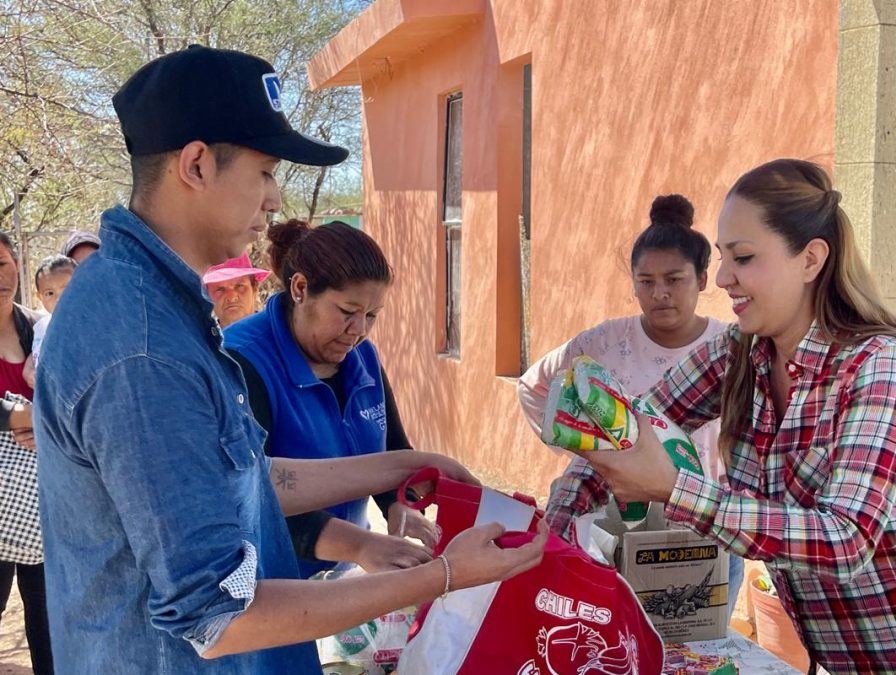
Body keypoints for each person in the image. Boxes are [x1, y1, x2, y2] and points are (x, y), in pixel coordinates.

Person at [34, 45, 545, 675]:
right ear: (196, 164)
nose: (276, 200)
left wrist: (408, 463)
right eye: (266, 171)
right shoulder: (143, 350)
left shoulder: (157, 304)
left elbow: (243, 478)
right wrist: (445, 574)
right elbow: (217, 618)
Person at [547, 159, 896, 674]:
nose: (722, 277)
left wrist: (674, 489)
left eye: (744, 257)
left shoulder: (879, 367)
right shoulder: (739, 355)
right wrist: (551, 530)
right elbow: (631, 421)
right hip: (852, 658)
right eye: (722, 257)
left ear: (811, 259)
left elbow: (846, 539)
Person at [518, 193, 743, 617]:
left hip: (704, 530)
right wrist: (586, 454)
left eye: (674, 279)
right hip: (614, 529)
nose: (659, 294)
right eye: (646, 281)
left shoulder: (730, 349)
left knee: (697, 648)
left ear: (703, 278)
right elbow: (534, 387)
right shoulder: (602, 342)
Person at [225, 218, 437, 578]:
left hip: (347, 573)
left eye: (371, 316)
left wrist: (398, 506)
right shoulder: (242, 362)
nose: (358, 331)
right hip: (269, 584)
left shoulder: (362, 357)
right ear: (300, 288)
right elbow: (248, 496)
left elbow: (390, 453)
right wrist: (358, 545)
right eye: (347, 312)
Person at [0, 232, 51, 675]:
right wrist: (10, 415)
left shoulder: (39, 327)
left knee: (49, 625)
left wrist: (45, 421)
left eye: (2, 263)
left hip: (45, 505)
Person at [24, 255, 77, 389]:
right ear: (40, 297)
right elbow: (35, 350)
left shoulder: (84, 324)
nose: (59, 299)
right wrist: (28, 370)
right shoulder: (42, 326)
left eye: (67, 290)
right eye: (50, 293)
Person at [203, 253, 270, 328]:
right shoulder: (199, 338)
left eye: (239, 286)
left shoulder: (277, 333)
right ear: (207, 296)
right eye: (220, 290)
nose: (231, 297)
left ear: (255, 288)